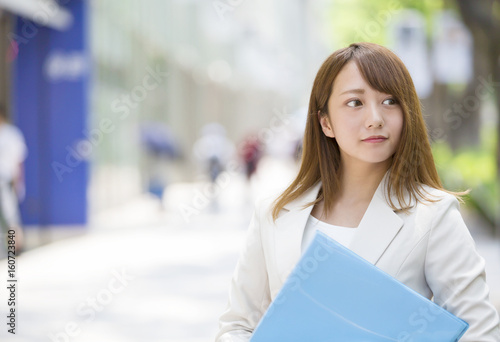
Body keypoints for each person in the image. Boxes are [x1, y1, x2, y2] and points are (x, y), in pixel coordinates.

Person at [215, 43, 500, 341]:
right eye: (355, 103)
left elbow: (479, 332)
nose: (375, 118)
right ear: (326, 122)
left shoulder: (433, 214)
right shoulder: (273, 213)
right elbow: (237, 326)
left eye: (390, 101)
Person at [0, 105, 27, 254]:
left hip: (7, 181)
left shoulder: (11, 134)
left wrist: (19, 183)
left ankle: (15, 249)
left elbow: (19, 161)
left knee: (11, 217)